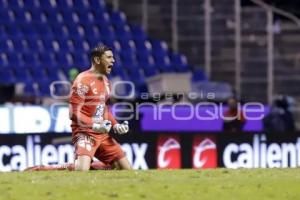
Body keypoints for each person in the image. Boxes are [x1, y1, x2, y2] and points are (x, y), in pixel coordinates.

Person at [69, 44, 132, 171]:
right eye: (108, 57)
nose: (113, 60)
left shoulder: (105, 80)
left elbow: (103, 109)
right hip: (85, 133)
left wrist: (116, 125)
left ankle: (97, 166)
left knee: (127, 170)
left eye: (112, 57)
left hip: (102, 134)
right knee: (81, 171)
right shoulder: (82, 80)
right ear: (97, 60)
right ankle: (67, 167)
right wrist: (95, 125)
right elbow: (73, 113)